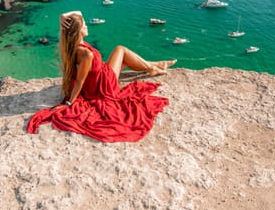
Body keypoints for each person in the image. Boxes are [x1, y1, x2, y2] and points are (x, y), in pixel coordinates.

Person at [26, 11, 176, 142]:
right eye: (84, 25)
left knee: (124, 56)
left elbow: (76, 14)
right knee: (120, 49)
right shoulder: (86, 53)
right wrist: (70, 103)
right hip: (104, 85)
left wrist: (62, 17)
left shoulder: (70, 43)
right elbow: (79, 81)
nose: (87, 26)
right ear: (78, 30)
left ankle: (154, 65)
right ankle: (153, 68)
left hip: (100, 74)